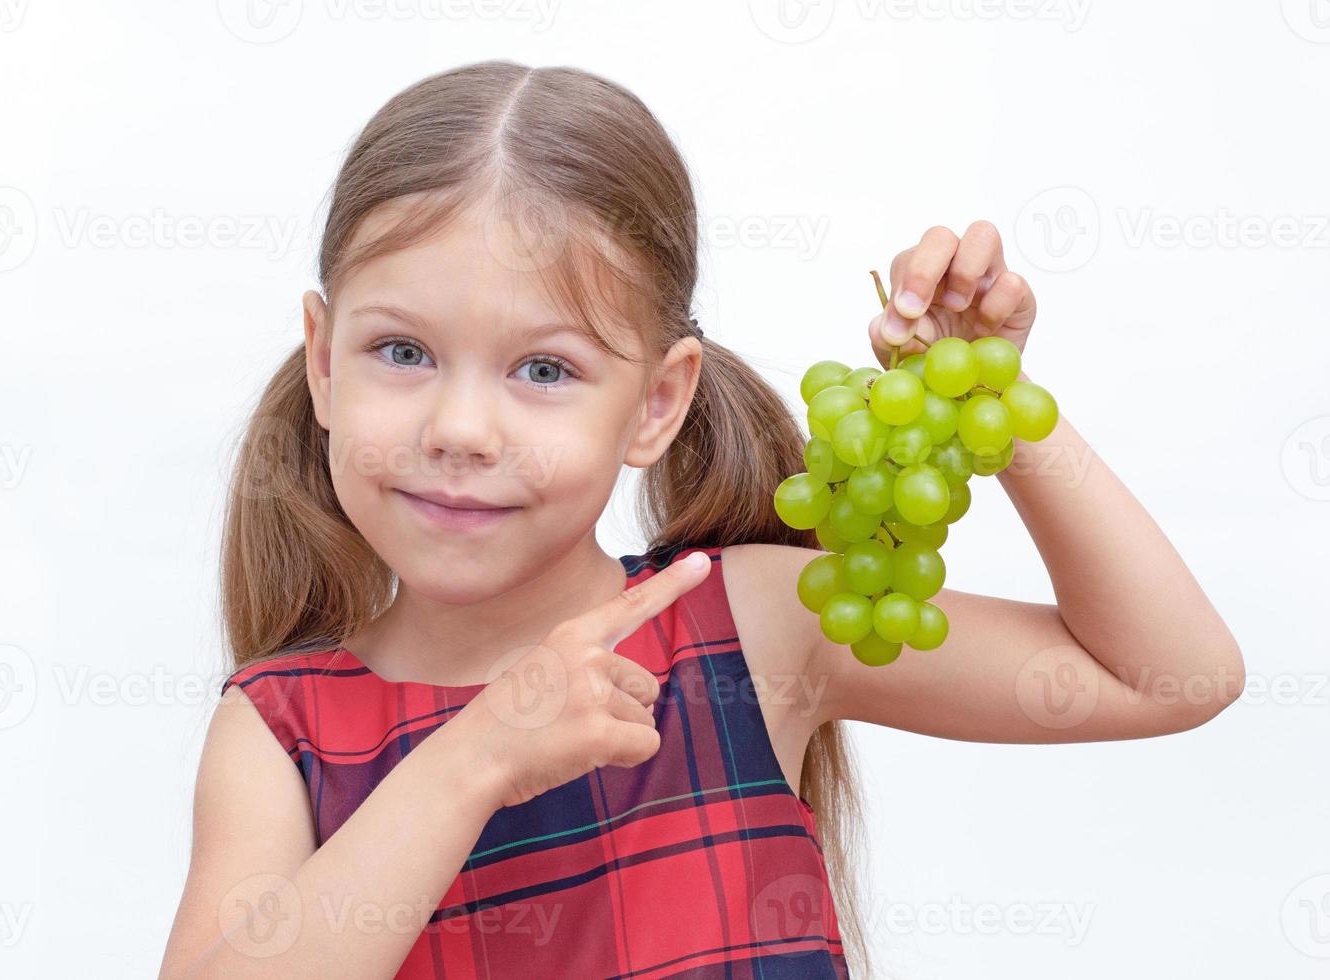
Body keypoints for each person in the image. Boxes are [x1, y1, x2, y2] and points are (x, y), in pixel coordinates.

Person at [158, 60, 1243, 980]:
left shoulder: (749, 627)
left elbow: (1166, 672)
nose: (462, 427)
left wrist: (994, 402)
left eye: (545, 367)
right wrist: (476, 754)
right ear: (323, 359)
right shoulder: (281, 729)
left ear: (657, 402)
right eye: (402, 351)